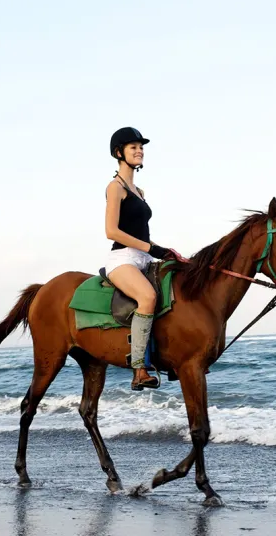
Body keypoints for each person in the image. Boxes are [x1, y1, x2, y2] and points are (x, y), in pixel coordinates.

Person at [104, 127, 178, 391]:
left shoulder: (139, 191)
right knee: (147, 297)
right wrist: (151, 248)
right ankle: (139, 370)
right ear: (118, 153)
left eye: (141, 147)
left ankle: (170, 359)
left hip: (143, 256)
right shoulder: (115, 187)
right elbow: (111, 231)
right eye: (133, 147)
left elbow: (143, 234)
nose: (139, 151)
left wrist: (165, 250)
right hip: (122, 259)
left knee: (174, 289)